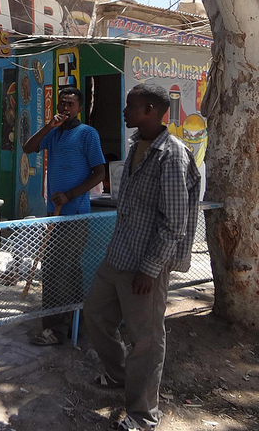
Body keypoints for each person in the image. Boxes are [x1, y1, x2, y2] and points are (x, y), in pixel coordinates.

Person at [84, 84, 200, 431]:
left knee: (146, 340)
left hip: (145, 266)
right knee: (94, 313)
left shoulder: (172, 155)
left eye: (130, 106)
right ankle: (121, 377)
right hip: (118, 256)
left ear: (149, 110)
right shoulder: (137, 146)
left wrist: (150, 270)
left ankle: (143, 413)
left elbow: (174, 222)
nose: (123, 111)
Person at [22, 86, 105, 346]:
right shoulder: (55, 133)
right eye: (61, 104)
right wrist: (48, 126)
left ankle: (56, 330)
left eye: (70, 104)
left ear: (80, 108)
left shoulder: (87, 134)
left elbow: (99, 173)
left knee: (58, 269)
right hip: (53, 214)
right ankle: (74, 324)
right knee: (64, 271)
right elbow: (28, 148)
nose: (65, 109)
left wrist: (69, 195)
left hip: (75, 214)